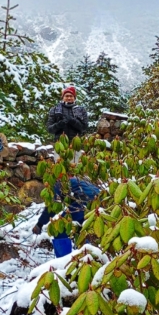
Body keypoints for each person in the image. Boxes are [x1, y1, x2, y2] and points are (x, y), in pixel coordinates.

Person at [35, 86, 101, 240]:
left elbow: (84, 127)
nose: (69, 98)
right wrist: (60, 125)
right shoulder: (55, 109)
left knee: (75, 173)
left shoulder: (80, 110)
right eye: (66, 96)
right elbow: (49, 128)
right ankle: (64, 194)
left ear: (74, 97)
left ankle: (75, 198)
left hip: (75, 145)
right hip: (60, 145)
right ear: (63, 97)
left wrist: (71, 121)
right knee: (61, 174)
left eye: (71, 96)